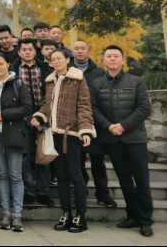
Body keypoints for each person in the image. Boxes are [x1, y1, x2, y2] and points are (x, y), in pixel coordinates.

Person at [91, 45, 154, 238]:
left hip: (135, 140)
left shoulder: (136, 81)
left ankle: (145, 221)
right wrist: (108, 126)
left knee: (142, 181)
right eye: (108, 56)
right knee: (125, 181)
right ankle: (132, 215)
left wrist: (123, 126)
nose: (112, 58)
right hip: (112, 140)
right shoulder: (97, 84)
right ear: (103, 60)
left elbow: (144, 108)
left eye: (116, 56)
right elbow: (93, 109)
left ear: (122, 60)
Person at [31, 49, 95, 233]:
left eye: (60, 58)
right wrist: (39, 117)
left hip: (72, 135)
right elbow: (46, 104)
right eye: (53, 59)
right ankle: (66, 212)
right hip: (54, 135)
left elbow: (84, 105)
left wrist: (86, 130)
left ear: (68, 60)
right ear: (50, 63)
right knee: (61, 177)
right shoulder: (50, 80)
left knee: (76, 175)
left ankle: (81, 215)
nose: (56, 61)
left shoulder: (78, 79)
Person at [0, 52, 32, 233]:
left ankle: (17, 214)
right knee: (2, 174)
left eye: (1, 63)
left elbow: (27, 107)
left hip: (14, 135)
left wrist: (3, 115)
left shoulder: (17, 83)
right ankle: (5, 212)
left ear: (8, 64)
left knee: (15, 175)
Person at [72, 40, 116, 209]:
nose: (80, 51)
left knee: (98, 160)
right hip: (74, 122)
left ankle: (103, 194)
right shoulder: (67, 70)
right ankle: (80, 192)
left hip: (95, 121)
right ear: (72, 52)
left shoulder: (99, 72)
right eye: (76, 48)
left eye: (83, 48)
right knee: (78, 160)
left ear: (88, 51)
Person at [10, 39, 53, 207]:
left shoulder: (44, 68)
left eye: (30, 49)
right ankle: (28, 191)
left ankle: (43, 191)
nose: (27, 52)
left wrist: (42, 115)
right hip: (22, 117)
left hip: (43, 116)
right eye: (24, 49)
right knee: (25, 155)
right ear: (19, 52)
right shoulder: (13, 69)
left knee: (44, 153)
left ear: (35, 52)